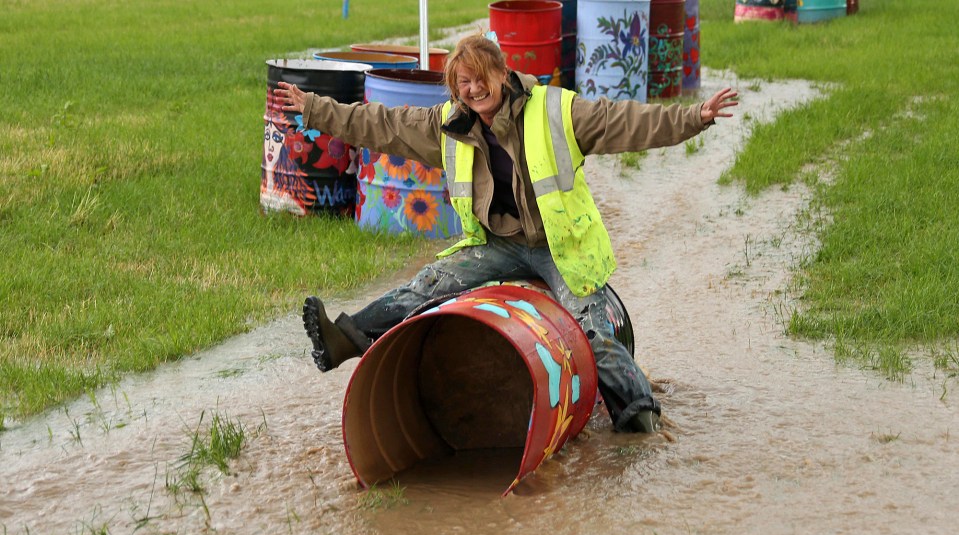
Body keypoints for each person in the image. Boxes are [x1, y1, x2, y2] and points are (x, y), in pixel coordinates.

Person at [274, 33, 738, 433]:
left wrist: (694, 117)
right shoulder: (447, 125)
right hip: (496, 245)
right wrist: (316, 108)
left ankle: (639, 416)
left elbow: (628, 122)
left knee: (595, 331)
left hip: (559, 248)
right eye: (463, 82)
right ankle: (345, 340)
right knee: (427, 286)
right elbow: (379, 124)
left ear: (501, 72)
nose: (474, 89)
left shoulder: (556, 111)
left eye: (480, 77)